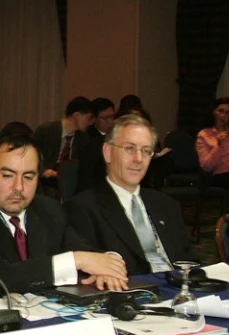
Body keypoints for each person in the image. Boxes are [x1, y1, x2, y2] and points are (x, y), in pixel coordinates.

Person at [0, 132, 128, 295]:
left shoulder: (49, 210)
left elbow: (84, 249)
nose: (18, 187)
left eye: (28, 177)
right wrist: (78, 260)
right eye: (8, 175)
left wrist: (109, 265)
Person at [65, 115, 195, 275]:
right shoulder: (83, 208)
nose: (138, 159)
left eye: (146, 151)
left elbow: (189, 262)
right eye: (129, 148)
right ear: (108, 152)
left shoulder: (167, 205)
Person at [33, 96, 94, 197]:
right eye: (89, 118)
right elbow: (33, 156)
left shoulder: (83, 138)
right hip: (45, 181)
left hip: (68, 181)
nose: (91, 122)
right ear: (77, 115)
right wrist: (43, 170)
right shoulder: (46, 130)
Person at [76, 97, 116, 193]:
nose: (110, 121)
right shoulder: (87, 139)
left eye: (111, 117)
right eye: (105, 118)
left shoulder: (117, 137)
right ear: (94, 119)